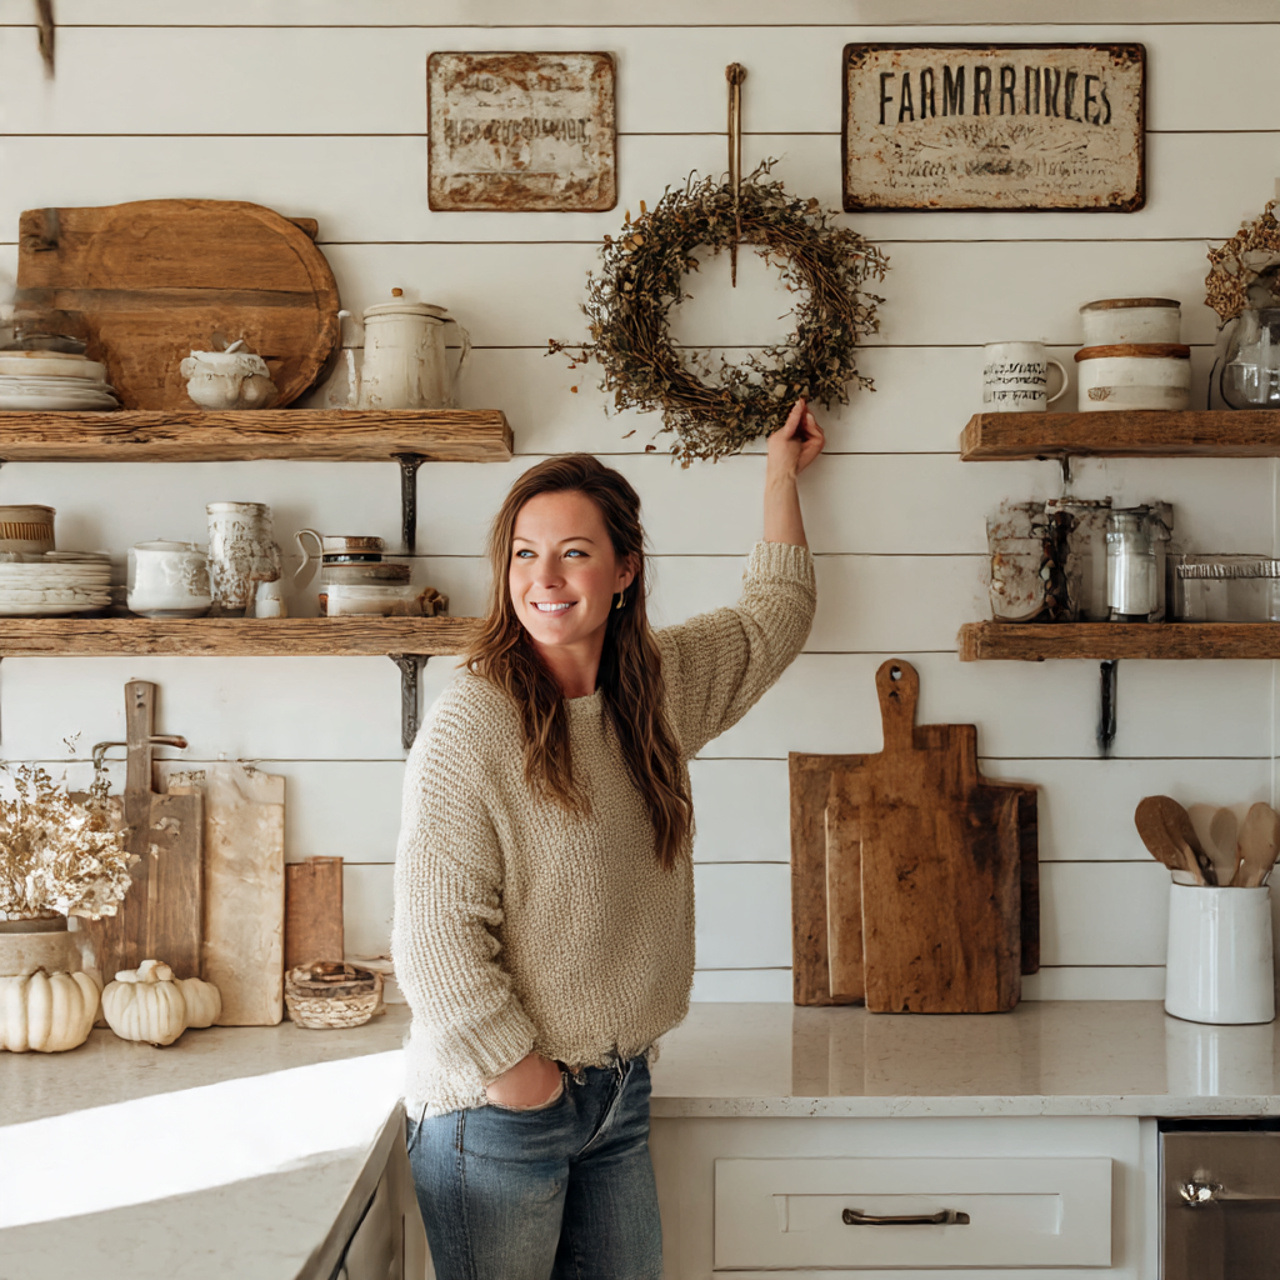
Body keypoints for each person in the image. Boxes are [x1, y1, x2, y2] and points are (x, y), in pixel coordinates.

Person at [392, 398, 824, 1280]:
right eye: (525, 553)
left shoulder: (654, 693)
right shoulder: (473, 723)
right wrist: (522, 1079)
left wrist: (780, 475)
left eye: (574, 552)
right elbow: (435, 940)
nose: (545, 577)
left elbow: (774, 616)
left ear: (625, 569)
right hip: (496, 1110)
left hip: (618, 1095)